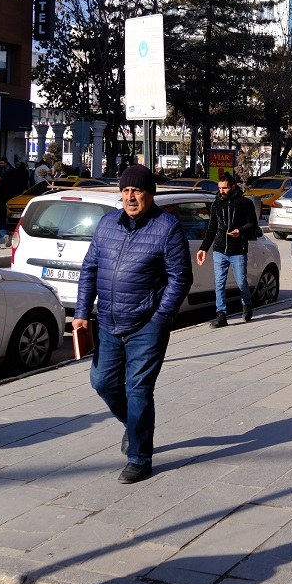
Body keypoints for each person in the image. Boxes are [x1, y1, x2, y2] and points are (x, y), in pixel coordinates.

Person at [73, 164, 192, 484]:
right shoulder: (106, 224)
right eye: (125, 191)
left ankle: (140, 457)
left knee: (138, 389)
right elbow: (89, 269)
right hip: (109, 322)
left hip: (146, 325)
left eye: (137, 190)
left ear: (150, 194)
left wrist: (160, 318)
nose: (130, 197)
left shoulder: (167, 228)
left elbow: (180, 278)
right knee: (102, 382)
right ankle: (133, 425)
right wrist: (82, 312)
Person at [197, 174, 261, 327]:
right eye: (219, 188)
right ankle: (221, 315)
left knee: (241, 283)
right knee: (219, 284)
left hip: (238, 250)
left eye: (224, 188)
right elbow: (212, 229)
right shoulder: (216, 204)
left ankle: (247, 304)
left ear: (232, 187)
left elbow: (252, 224)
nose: (221, 191)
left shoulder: (245, 203)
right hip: (219, 250)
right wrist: (203, 248)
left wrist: (240, 230)